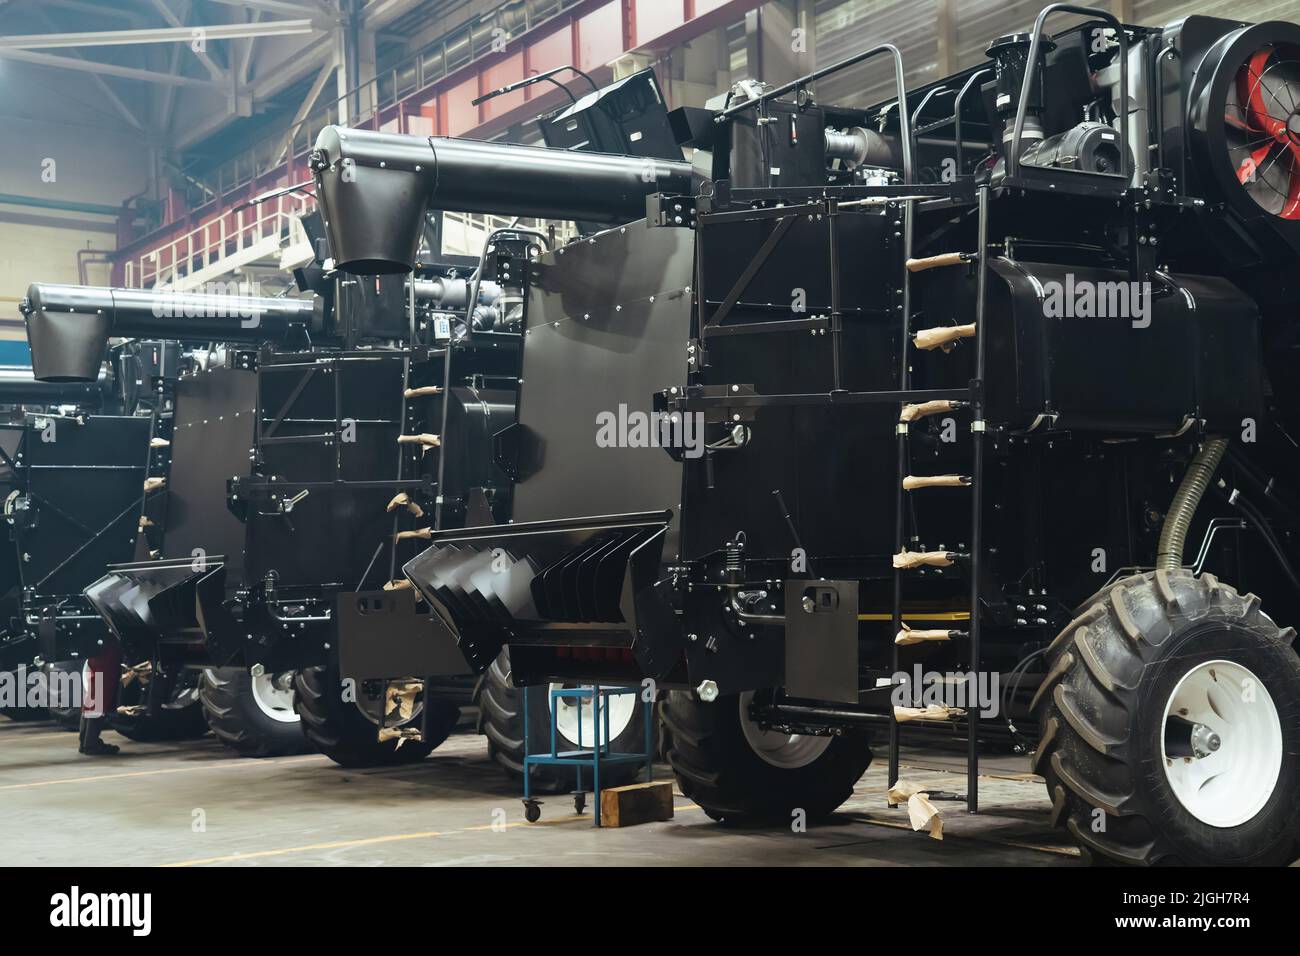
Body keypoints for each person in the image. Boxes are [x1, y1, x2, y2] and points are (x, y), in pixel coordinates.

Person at [79, 643, 122, 756]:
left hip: (96, 650)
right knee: (99, 697)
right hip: (106, 650)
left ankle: (85, 741)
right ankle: (91, 744)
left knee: (92, 697)